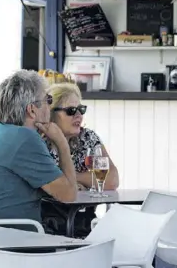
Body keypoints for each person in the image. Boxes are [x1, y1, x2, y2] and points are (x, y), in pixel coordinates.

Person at [0, 70, 77, 227]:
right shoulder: (25, 139)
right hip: (20, 241)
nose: (50, 107)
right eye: (48, 100)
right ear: (31, 110)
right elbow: (69, 195)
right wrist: (62, 143)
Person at [41, 82, 119, 237]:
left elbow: (112, 180)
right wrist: (83, 180)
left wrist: (71, 177)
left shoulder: (88, 138)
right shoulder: (40, 141)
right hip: (47, 226)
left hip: (83, 222)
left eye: (81, 109)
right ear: (51, 114)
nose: (79, 115)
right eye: (71, 111)